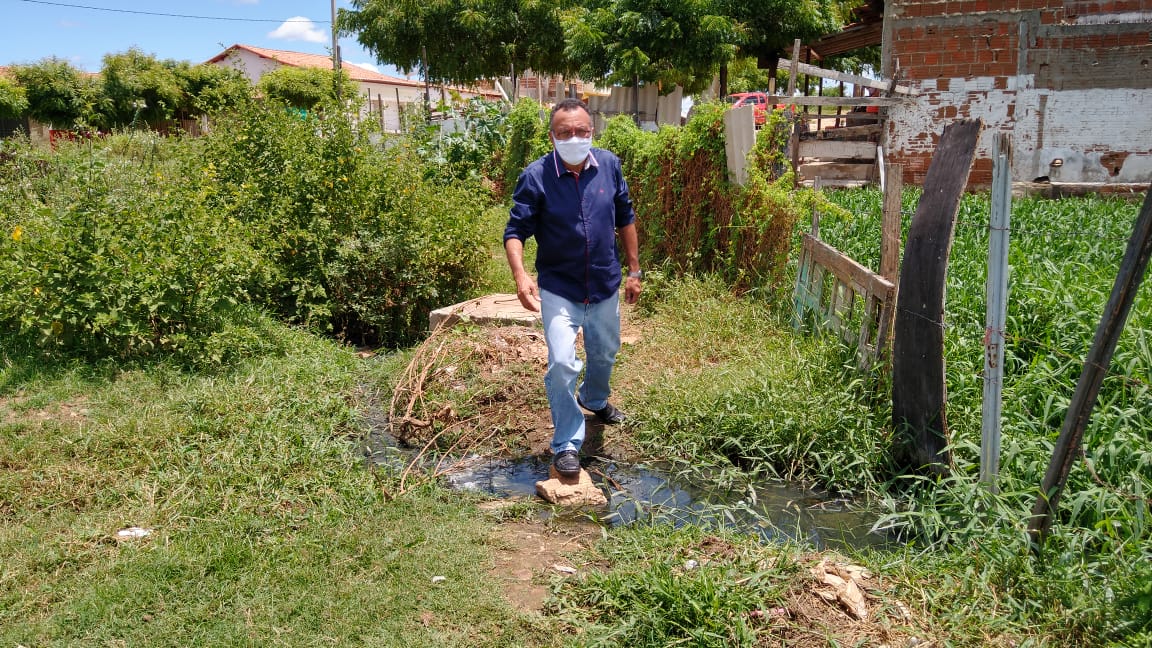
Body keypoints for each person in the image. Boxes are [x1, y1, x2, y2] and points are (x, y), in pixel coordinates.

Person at [503, 98, 642, 479]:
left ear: (592, 131)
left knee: (605, 353)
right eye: (564, 133)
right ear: (552, 136)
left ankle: (594, 399)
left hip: (603, 283)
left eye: (581, 131)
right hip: (559, 288)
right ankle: (566, 443)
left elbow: (625, 217)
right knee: (563, 362)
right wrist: (520, 275)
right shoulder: (536, 176)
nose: (574, 138)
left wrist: (634, 270)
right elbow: (515, 231)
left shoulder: (609, 165)